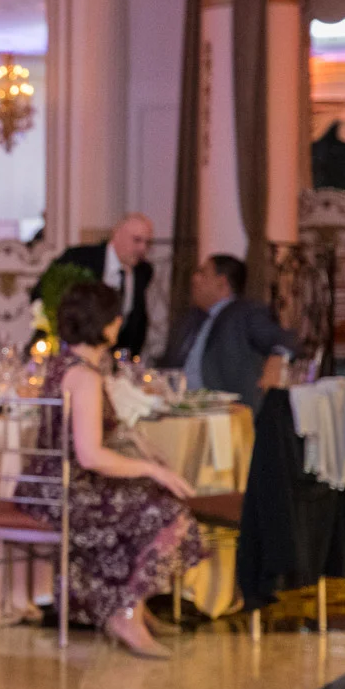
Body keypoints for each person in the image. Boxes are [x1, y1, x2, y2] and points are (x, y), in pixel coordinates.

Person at [22, 282, 203, 658]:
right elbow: (90, 456)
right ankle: (126, 613)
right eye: (114, 317)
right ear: (103, 324)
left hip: (50, 486)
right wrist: (152, 471)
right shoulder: (84, 377)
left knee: (157, 501)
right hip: (67, 493)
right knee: (169, 516)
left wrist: (145, 454)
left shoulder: (65, 365)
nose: (119, 322)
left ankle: (132, 606)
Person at [161, 254, 296, 410]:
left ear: (222, 283)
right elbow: (169, 364)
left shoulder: (245, 313)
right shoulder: (191, 318)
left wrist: (277, 359)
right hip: (177, 405)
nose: (194, 278)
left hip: (222, 410)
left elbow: (283, 338)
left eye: (203, 273)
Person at [35, 214, 155, 356]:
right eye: (137, 240)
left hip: (116, 357)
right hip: (72, 351)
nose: (142, 248)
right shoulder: (79, 258)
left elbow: (137, 318)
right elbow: (41, 293)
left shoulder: (143, 271)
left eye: (148, 243)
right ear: (117, 235)